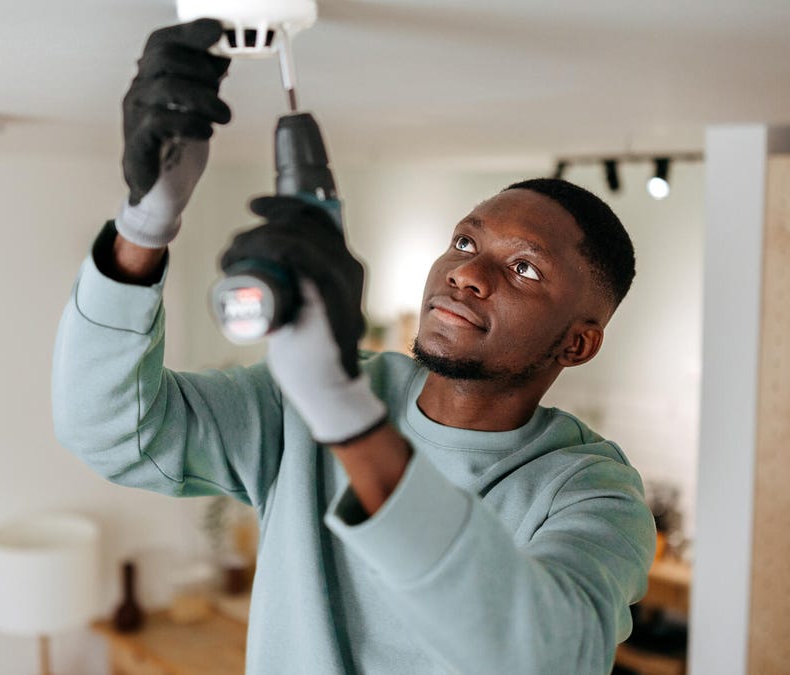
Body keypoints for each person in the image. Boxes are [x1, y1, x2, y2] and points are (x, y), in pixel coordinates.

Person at [52, 19, 655, 675]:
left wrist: (342, 411)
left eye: (525, 270)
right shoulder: (297, 401)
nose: (467, 273)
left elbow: (545, 654)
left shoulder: (594, 495)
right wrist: (146, 220)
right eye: (464, 242)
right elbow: (111, 429)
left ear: (578, 342)